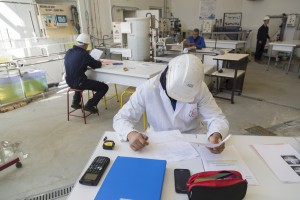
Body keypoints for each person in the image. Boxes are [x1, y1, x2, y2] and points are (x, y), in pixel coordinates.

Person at [113, 54, 229, 154]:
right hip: (159, 141)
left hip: (193, 140)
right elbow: (121, 118)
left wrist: (216, 133)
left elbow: (216, 117)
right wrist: (130, 133)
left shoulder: (199, 88)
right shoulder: (148, 88)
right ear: (167, 76)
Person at [64, 33, 108, 113]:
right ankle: (90, 105)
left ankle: (75, 102)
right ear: (85, 44)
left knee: (79, 82)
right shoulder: (84, 54)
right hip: (79, 82)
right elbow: (96, 65)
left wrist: (84, 66)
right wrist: (98, 62)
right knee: (104, 87)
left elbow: (74, 65)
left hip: (69, 82)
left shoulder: (69, 52)